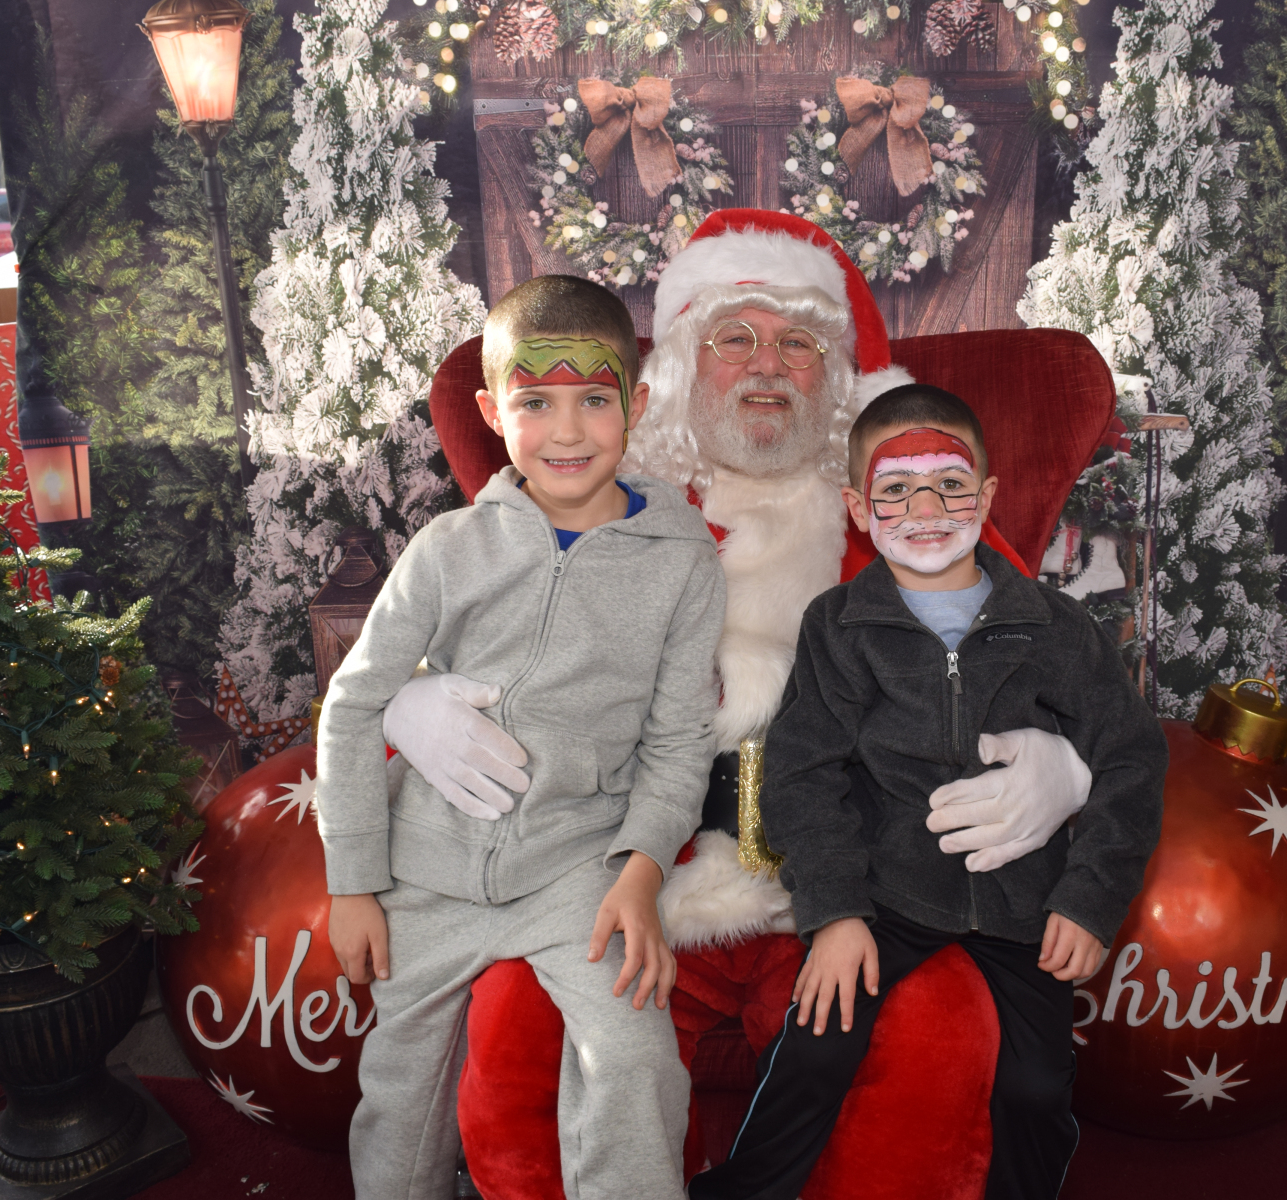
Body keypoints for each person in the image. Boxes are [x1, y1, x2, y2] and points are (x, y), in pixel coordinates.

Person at [385, 211, 1102, 1194]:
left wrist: (1064, 763)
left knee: (936, 1033)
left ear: (840, 377)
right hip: (622, 882)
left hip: (853, 894)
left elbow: (1047, 657)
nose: (768, 366)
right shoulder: (592, 498)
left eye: (799, 341)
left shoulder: (905, 516)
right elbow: (457, 619)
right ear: (682, 364)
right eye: (736, 337)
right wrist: (411, 702)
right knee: (519, 1026)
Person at [690, 385, 1166, 1200]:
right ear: (858, 508)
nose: (926, 510)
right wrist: (835, 913)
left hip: (1023, 906)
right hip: (886, 893)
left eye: (949, 484)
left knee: (1036, 1089)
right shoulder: (840, 625)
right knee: (816, 1048)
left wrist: (1089, 901)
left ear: (986, 494)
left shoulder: (1052, 626)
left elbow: (1132, 757)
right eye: (897, 489)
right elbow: (803, 773)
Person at [315, 275, 725, 1200]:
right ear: (493, 412)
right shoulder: (449, 548)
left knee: (635, 1060)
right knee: (399, 1097)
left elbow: (676, 743)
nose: (567, 431)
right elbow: (353, 704)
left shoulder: (684, 563)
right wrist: (354, 881)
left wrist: (640, 872)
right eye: (536, 402)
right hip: (425, 871)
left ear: (637, 403)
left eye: (594, 400)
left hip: (577, 871)